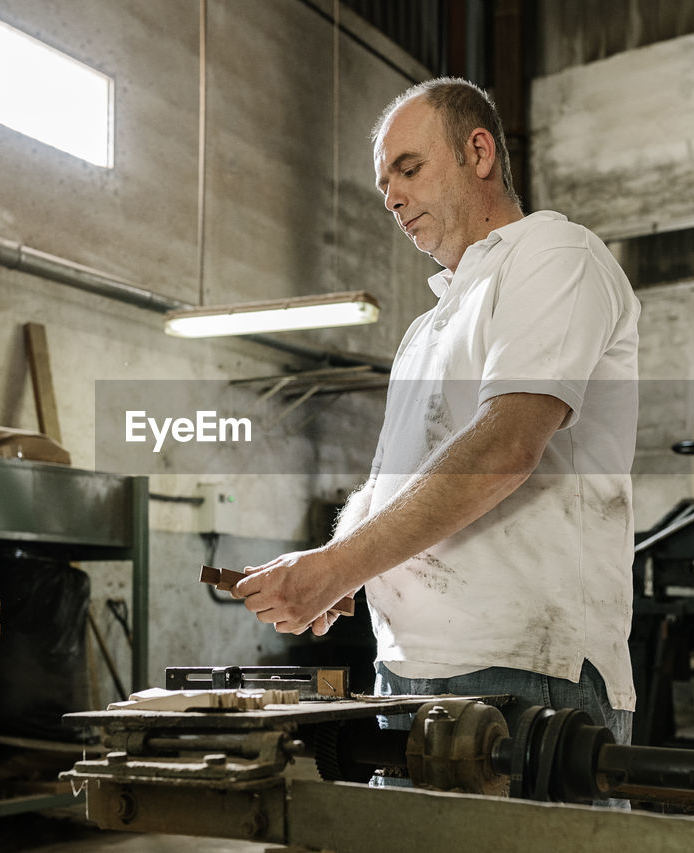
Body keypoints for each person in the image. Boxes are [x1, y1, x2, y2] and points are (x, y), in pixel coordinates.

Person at [232, 77, 640, 752]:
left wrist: (338, 569)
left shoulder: (553, 256)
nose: (392, 197)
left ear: (478, 152)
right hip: (408, 672)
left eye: (409, 169)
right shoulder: (427, 327)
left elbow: (507, 444)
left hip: (525, 670)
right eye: (384, 182)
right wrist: (337, 561)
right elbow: (388, 481)